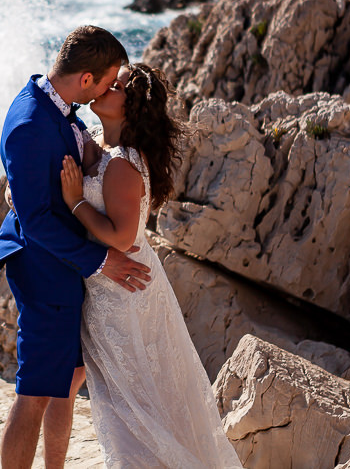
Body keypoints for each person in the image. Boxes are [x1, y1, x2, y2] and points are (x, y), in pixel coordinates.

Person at [0, 25, 153, 469]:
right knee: (36, 390)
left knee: (70, 377)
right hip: (44, 270)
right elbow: (36, 219)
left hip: (66, 267)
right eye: (110, 80)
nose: (112, 87)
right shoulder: (31, 124)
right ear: (86, 81)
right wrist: (101, 261)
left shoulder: (58, 105)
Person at [60, 63, 243, 468]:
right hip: (111, 284)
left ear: (132, 107)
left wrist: (75, 201)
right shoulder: (101, 145)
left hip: (125, 291)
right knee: (127, 400)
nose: (106, 85)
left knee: (136, 404)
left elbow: (122, 237)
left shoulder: (124, 163)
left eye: (117, 85)